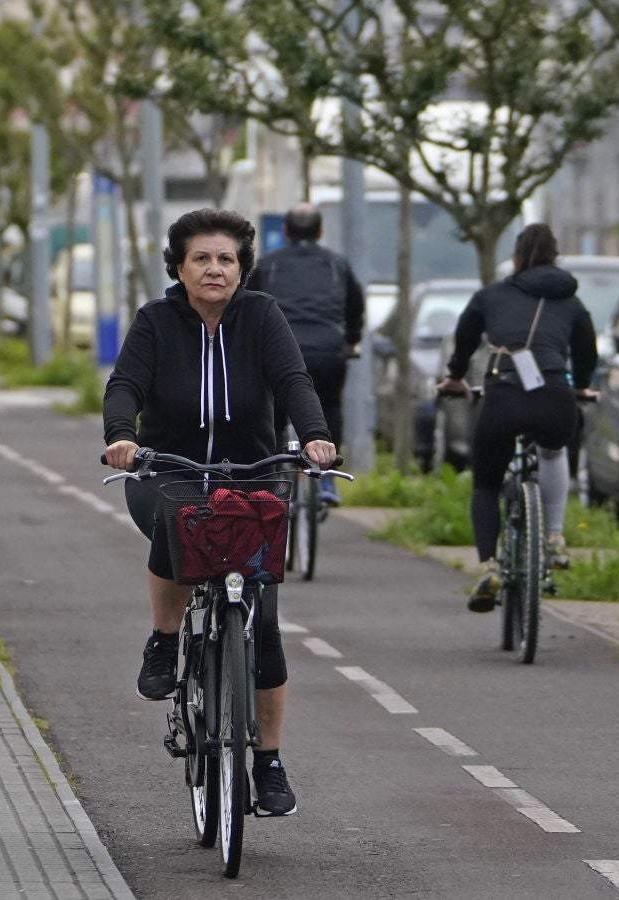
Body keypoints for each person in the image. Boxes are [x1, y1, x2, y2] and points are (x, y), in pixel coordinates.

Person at [103, 208, 337, 817]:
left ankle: (269, 762)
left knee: (263, 626)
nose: (215, 269)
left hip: (253, 476)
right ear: (178, 267)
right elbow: (124, 384)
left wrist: (313, 436)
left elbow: (293, 380)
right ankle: (163, 640)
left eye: (226, 259)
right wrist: (122, 436)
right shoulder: (157, 321)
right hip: (169, 468)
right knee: (172, 516)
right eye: (202, 258)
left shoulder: (263, 317)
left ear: (242, 268)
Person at [437, 223, 598, 610]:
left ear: (515, 257)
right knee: (554, 451)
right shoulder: (572, 302)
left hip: (503, 394)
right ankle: (555, 536)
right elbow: (587, 351)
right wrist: (581, 387)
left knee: (487, 483)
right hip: (555, 395)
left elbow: (465, 336)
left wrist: (455, 377)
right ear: (555, 257)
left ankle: (489, 564)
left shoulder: (491, 295)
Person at [245, 204, 364, 505]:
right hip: (327, 350)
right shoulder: (337, 264)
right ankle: (327, 479)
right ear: (320, 232)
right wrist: (351, 341)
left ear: (284, 232)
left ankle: (270, 481)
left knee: (274, 413)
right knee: (329, 405)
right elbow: (355, 306)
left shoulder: (268, 265)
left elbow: (250, 307)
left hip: (278, 352)